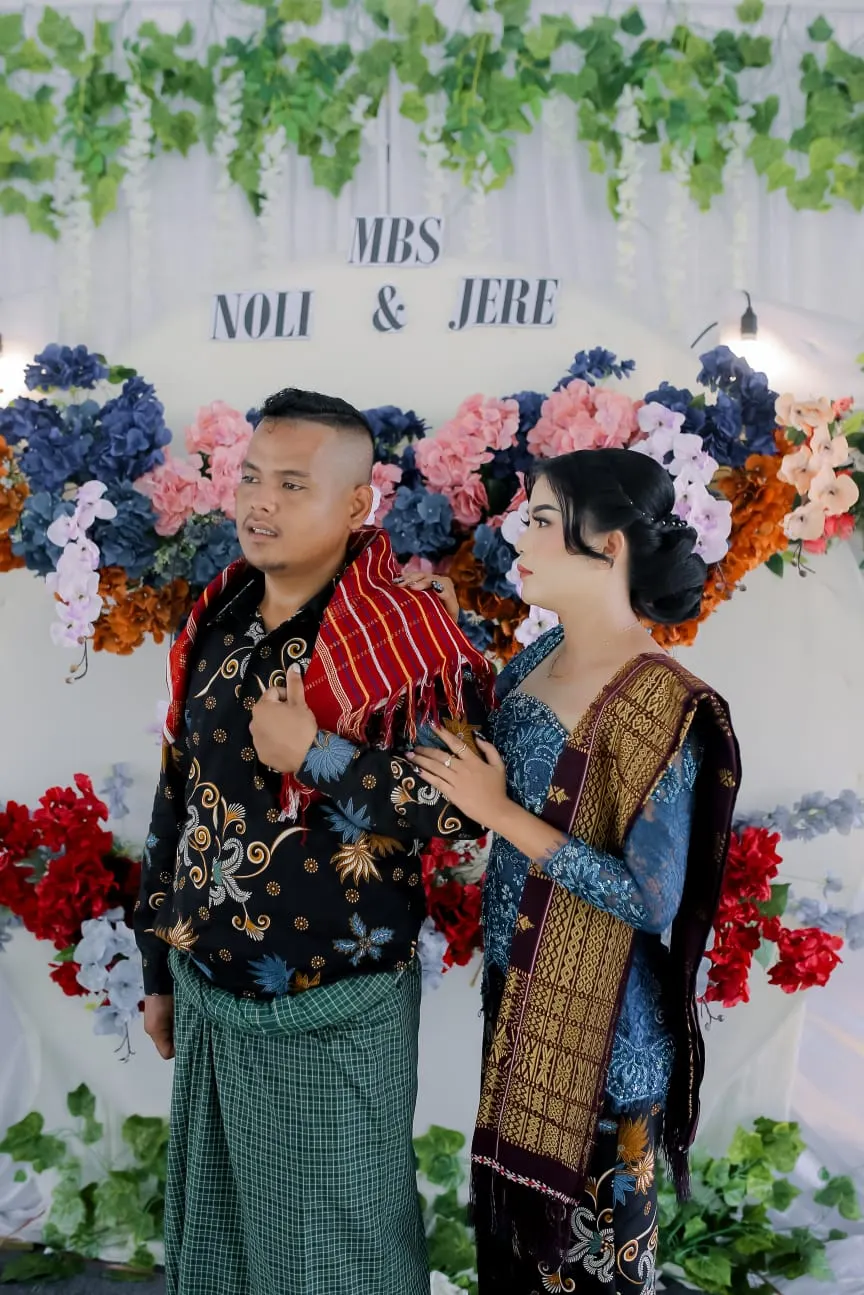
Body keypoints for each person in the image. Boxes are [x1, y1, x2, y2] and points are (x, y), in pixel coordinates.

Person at [134, 388, 495, 1295]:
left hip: (337, 1002)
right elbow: (181, 794)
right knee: (222, 1249)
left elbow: (460, 811)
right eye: (251, 477)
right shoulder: (219, 615)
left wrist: (317, 754)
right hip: (208, 988)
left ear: (356, 504)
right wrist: (155, 966)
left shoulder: (406, 636)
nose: (260, 501)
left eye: (292, 484)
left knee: (341, 1260)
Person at [410, 448, 741, 1294]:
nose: (519, 539)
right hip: (520, 1005)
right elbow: (486, 758)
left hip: (607, 1038)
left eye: (543, 521)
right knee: (512, 1262)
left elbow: (649, 897)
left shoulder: (662, 702)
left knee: (593, 1273)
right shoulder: (538, 658)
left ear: (611, 546)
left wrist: (501, 816)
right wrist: (438, 635)